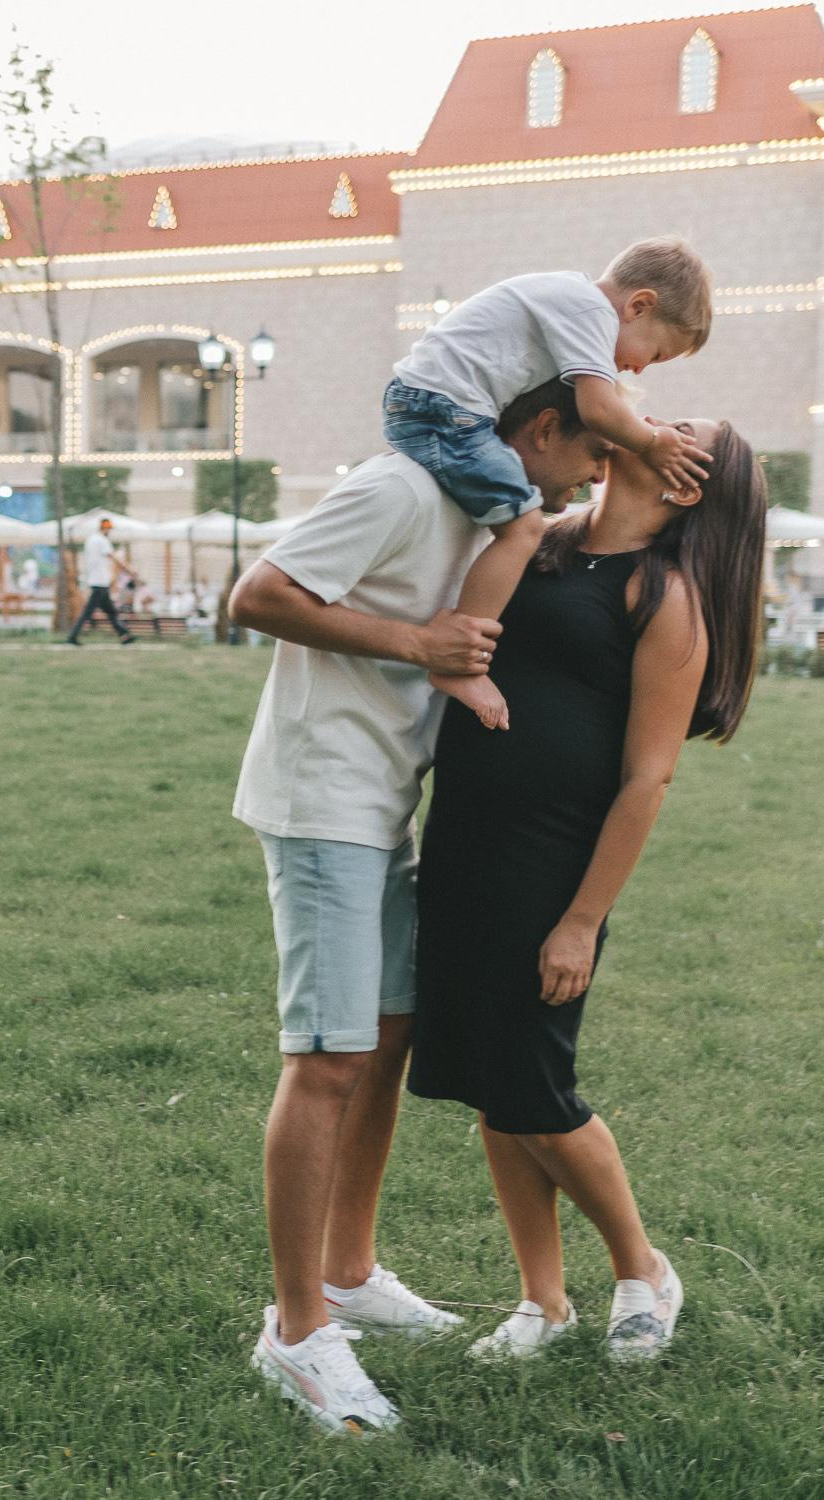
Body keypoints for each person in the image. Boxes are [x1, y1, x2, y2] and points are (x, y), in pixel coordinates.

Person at [227, 378, 611, 1435]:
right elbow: (257, 596)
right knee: (328, 1060)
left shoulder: (492, 512)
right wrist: (419, 647)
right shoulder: (398, 487)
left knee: (388, 1037)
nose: (595, 478)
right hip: (324, 799)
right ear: (542, 429)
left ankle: (347, 1274)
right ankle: (297, 1331)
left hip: (385, 804)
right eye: (593, 455)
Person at [407, 416, 767, 1367]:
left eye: (676, 431)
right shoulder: (543, 540)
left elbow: (648, 777)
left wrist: (580, 920)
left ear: (685, 485)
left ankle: (643, 1270)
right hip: (465, 842)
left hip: (552, 867)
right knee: (495, 1085)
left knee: (534, 1085)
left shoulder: (665, 594)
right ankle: (544, 1301)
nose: (642, 423)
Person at [383, 237, 716, 732]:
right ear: (639, 306)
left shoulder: (571, 300)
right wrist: (652, 443)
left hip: (433, 403)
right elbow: (597, 409)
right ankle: (460, 662)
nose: (640, 367)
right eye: (655, 352)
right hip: (443, 410)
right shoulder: (591, 312)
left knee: (502, 513)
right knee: (523, 528)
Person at [66, 516, 137, 645]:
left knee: (111, 612)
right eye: (108, 529)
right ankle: (72, 636)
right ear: (105, 528)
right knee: (88, 612)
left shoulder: (90, 540)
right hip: (100, 582)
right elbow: (114, 557)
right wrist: (129, 570)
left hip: (97, 581)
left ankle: (124, 635)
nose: (109, 531)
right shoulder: (102, 541)